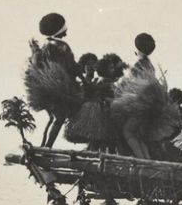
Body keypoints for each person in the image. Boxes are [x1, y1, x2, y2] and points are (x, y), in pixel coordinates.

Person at [111, 33, 182, 159]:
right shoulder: (149, 64)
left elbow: (135, 83)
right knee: (136, 134)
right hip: (148, 103)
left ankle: (143, 160)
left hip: (139, 103)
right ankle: (145, 159)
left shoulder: (139, 64)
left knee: (129, 132)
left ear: (137, 48)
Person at [24, 13, 85, 148]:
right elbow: (69, 66)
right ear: (60, 30)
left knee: (54, 117)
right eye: (65, 29)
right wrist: (80, 74)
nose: (66, 31)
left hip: (46, 89)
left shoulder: (46, 45)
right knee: (59, 118)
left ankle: (44, 146)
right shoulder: (62, 46)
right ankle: (47, 147)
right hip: (59, 89)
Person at [65, 54, 128, 153]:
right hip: (102, 112)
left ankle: (95, 157)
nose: (113, 70)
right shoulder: (104, 82)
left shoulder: (97, 81)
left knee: (100, 139)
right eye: (111, 68)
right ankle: (99, 158)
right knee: (102, 139)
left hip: (103, 112)